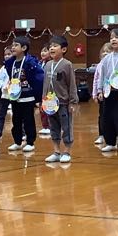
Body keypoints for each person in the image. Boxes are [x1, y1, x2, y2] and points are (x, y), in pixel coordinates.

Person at [42, 35, 79, 163]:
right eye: (50, 46)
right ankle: (56, 151)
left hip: (63, 103)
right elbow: (45, 84)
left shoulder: (67, 64)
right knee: (53, 127)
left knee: (66, 127)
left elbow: (72, 84)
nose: (51, 48)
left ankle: (67, 152)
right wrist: (43, 100)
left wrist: (73, 102)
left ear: (63, 49)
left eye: (55, 46)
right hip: (50, 103)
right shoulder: (47, 65)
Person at [4, 36, 45, 152]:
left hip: (28, 97)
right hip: (15, 96)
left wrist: (38, 97)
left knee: (28, 120)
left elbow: (38, 79)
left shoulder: (30, 62)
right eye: (12, 45)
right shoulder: (10, 63)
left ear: (24, 48)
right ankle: (17, 141)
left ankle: (30, 142)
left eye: (16, 45)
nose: (13, 47)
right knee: (16, 120)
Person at [93, 42, 111, 145]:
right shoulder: (99, 65)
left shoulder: (114, 64)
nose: (105, 53)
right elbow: (96, 80)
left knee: (112, 116)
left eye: (108, 51)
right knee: (102, 116)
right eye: (104, 51)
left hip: (112, 93)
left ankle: (114, 136)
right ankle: (101, 135)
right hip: (102, 94)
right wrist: (95, 94)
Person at [0, 46, 13, 138]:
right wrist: (3, 86)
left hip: (15, 94)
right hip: (4, 94)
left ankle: (21, 133)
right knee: (1, 114)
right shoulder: (3, 68)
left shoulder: (16, 66)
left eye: (9, 54)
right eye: (5, 54)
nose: (7, 56)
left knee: (18, 114)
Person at [38, 44, 52, 136]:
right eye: (42, 51)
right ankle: (45, 126)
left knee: (49, 108)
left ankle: (51, 126)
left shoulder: (51, 63)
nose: (43, 53)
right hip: (41, 89)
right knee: (42, 109)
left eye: (45, 51)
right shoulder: (39, 63)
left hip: (49, 89)